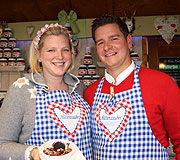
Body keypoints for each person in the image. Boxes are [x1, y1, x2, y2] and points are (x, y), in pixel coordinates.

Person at [83, 15, 180, 160]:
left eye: (114, 38)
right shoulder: (90, 94)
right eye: (100, 42)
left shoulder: (161, 83)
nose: (107, 47)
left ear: (128, 41)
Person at [0, 23, 92, 160]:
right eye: (51, 50)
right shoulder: (22, 89)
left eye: (65, 50)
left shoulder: (79, 88)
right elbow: (2, 145)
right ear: (39, 55)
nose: (59, 56)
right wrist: (33, 153)